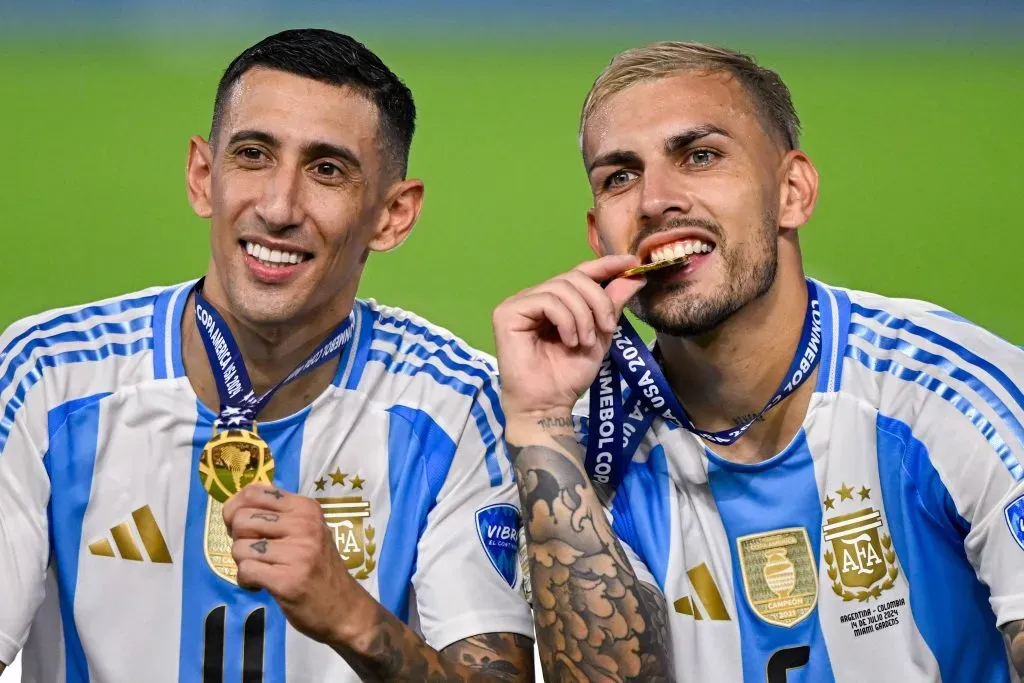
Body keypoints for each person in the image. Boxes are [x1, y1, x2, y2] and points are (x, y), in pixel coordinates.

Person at [0, 28, 534, 682]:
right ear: (203, 176)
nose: (279, 207)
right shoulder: (49, 377)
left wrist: (351, 615)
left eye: (327, 169)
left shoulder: (452, 407)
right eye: (253, 155)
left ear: (392, 215)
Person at [493, 40, 1024, 682]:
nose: (655, 200)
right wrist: (540, 419)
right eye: (620, 177)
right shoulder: (583, 446)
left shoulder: (946, 390)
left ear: (791, 192)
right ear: (597, 234)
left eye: (701, 156)